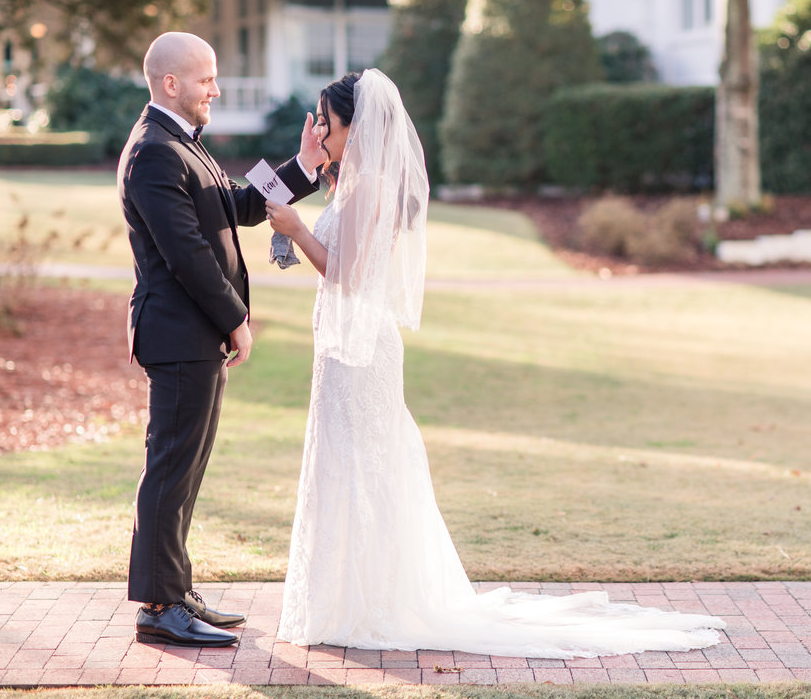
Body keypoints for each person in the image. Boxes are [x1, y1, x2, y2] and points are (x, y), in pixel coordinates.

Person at [265, 68, 726, 657]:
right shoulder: (353, 182)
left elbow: (349, 275)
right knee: (346, 463)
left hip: (361, 350)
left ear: (355, 127)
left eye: (326, 123)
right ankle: (345, 598)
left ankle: (371, 603)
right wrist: (305, 179)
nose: (319, 131)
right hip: (342, 345)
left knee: (364, 467)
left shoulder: (372, 185)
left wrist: (297, 229)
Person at [118, 31, 325, 648]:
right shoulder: (154, 151)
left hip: (193, 337)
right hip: (178, 335)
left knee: (186, 468)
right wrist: (237, 318)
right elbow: (186, 252)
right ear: (171, 83)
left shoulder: (182, 143)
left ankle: (176, 590)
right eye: (206, 78)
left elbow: (237, 204)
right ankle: (159, 605)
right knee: (170, 468)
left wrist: (302, 166)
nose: (216, 88)